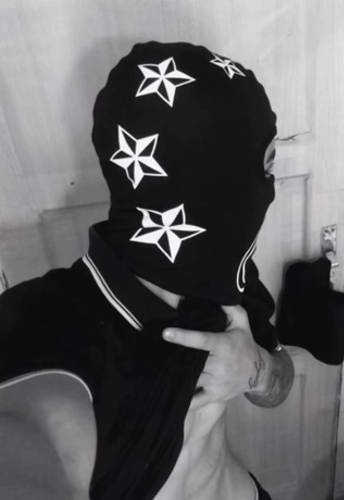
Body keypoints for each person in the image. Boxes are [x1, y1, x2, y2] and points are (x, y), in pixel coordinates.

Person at [0, 41, 294, 500]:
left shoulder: (229, 277)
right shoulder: (49, 320)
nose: (272, 183)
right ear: (219, 183)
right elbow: (27, 441)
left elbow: (280, 382)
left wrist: (253, 369)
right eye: (268, 162)